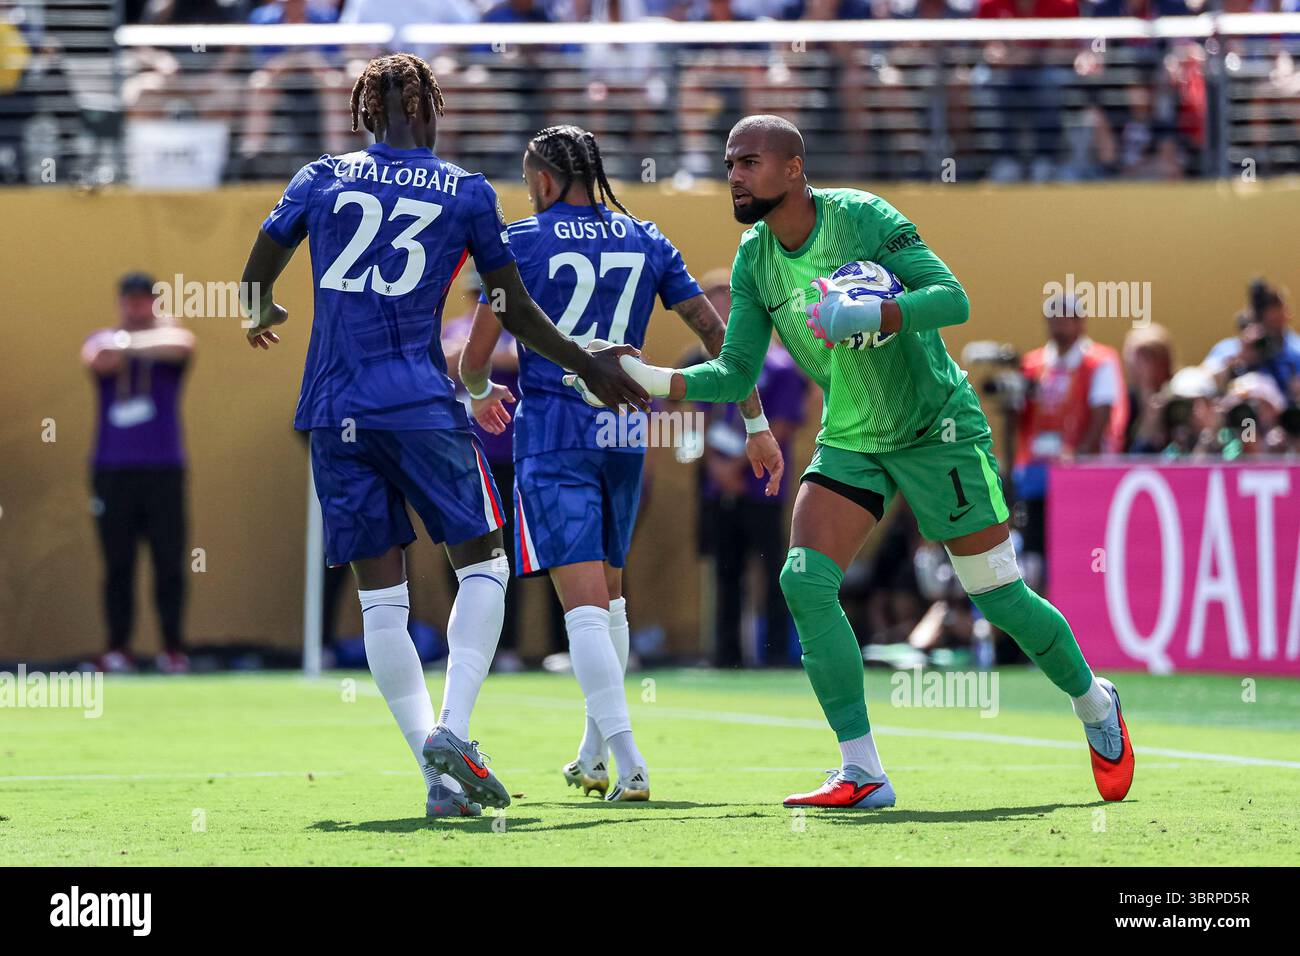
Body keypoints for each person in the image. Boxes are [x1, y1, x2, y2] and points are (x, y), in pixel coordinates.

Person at [573, 114, 1136, 809]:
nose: (736, 175)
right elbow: (734, 371)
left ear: (793, 169)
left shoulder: (864, 217)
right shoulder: (754, 259)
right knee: (804, 581)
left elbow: (952, 299)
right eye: (729, 163)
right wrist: (647, 377)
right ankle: (863, 770)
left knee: (998, 596)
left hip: (938, 428)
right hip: (852, 438)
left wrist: (878, 314)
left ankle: (1093, 701)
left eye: (750, 162)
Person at [238, 53, 648, 819]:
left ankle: (439, 773)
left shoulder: (321, 174)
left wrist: (258, 309)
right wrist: (583, 359)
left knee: (381, 602)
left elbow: (260, 262)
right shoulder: (465, 191)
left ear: (365, 115)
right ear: (435, 112)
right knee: (486, 561)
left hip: (332, 409)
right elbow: (515, 310)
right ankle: (455, 728)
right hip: (422, 406)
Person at [461, 124, 782, 801]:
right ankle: (593, 754)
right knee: (609, 595)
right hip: (625, 433)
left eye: (529, 179)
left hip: (555, 430)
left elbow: (475, 356)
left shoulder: (519, 241)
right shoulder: (646, 235)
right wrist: (753, 419)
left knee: (581, 604)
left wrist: (480, 390)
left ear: (545, 180)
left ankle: (630, 760)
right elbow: (716, 334)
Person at [693, 269, 809, 668]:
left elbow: (784, 425)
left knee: (772, 571)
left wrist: (738, 466)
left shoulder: (779, 365)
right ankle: (726, 655)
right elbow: (700, 421)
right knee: (725, 572)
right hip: (717, 485)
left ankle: (776, 654)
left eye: (725, 296)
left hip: (761, 485)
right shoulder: (714, 364)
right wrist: (714, 466)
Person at [82, 273, 196, 675]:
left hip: (163, 468)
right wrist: (125, 342)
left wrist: (131, 342)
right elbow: (97, 357)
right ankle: (118, 647)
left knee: (169, 560)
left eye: (144, 300)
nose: (136, 307)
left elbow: (181, 346)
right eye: (129, 300)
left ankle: (172, 647)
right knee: (118, 564)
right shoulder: (103, 338)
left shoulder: (168, 337)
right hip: (113, 469)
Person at [1013, 293, 1128, 566]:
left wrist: (1079, 458)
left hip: (1077, 468)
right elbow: (1020, 413)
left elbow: (1101, 413)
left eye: (1066, 317)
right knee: (1034, 549)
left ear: (1081, 322)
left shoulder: (1099, 361)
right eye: (1054, 318)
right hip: (1036, 468)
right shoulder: (1033, 364)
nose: (1059, 324)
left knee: (1073, 546)